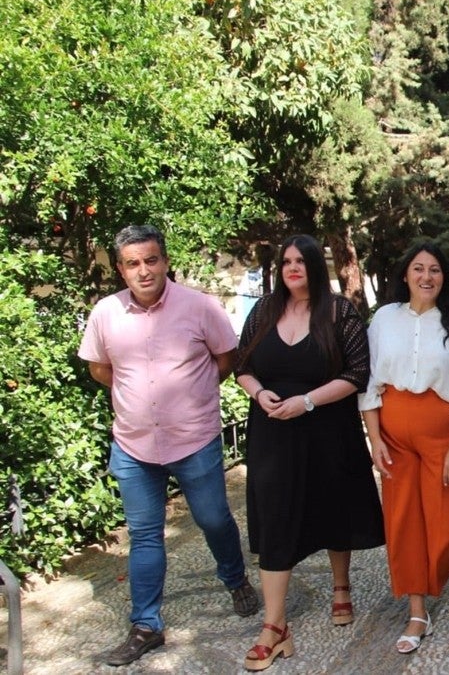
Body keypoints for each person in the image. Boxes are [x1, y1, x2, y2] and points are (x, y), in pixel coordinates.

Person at [78, 225, 259, 667]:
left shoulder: (200, 307)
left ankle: (235, 579)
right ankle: (146, 624)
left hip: (194, 440)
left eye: (151, 259)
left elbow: (224, 361)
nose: (144, 270)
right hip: (134, 447)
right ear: (121, 270)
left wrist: (189, 397)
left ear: (165, 260)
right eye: (133, 263)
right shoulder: (105, 313)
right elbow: (100, 369)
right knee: (143, 535)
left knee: (214, 518)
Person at [234, 234, 385, 671]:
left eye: (301, 261)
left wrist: (308, 401)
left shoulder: (339, 312)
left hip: (328, 429)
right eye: (286, 261)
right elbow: (243, 365)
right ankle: (275, 626)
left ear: (316, 266)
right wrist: (260, 393)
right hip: (273, 433)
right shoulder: (263, 310)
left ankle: (341, 586)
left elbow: (358, 373)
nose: (293, 268)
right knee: (276, 520)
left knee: (334, 508)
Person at [360, 242, 449, 654]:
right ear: (405, 274)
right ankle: (417, 609)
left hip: (443, 434)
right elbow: (369, 381)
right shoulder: (384, 319)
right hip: (394, 437)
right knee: (404, 521)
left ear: (445, 276)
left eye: (435, 269)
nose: (427, 277)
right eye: (418, 268)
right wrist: (374, 438)